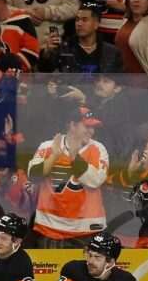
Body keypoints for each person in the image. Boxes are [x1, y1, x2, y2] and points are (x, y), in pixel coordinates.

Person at [27, 105, 110, 247]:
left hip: (87, 228)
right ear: (72, 125)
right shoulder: (48, 146)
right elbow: (33, 176)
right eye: (87, 126)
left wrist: (74, 156)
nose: (91, 131)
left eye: (93, 127)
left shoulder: (98, 148)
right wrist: (54, 156)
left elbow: (95, 180)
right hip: (50, 226)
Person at [37, 3, 123, 73]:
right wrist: (47, 53)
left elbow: (118, 84)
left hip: (99, 94)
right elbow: (44, 69)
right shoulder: (64, 49)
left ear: (96, 24)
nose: (79, 24)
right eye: (77, 20)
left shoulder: (111, 52)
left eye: (85, 20)